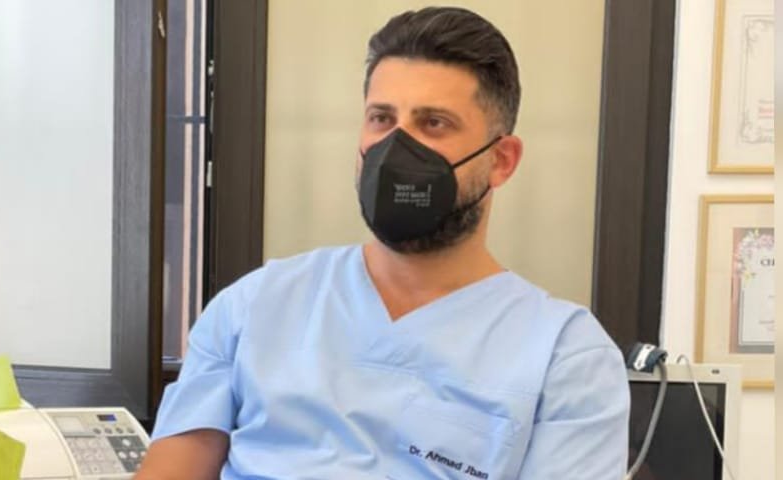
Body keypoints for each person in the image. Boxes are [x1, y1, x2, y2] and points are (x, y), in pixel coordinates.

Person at [136, 6, 629, 480]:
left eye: (433, 123)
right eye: (381, 118)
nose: (396, 148)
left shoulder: (566, 357)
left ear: (501, 161)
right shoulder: (254, 307)